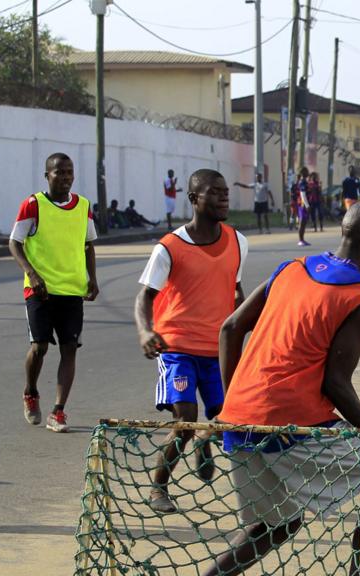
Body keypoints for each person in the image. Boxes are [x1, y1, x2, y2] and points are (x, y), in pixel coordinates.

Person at [209, 203, 360, 576]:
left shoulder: (291, 268)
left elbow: (230, 328)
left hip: (237, 420)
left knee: (276, 525)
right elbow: (336, 384)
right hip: (290, 422)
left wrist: (233, 403)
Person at [135, 169, 248, 513]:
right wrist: (145, 330)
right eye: (214, 193)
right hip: (176, 347)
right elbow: (144, 297)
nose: (223, 198)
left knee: (227, 416)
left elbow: (237, 292)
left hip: (217, 349)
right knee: (185, 418)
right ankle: (159, 488)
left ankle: (206, 437)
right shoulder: (169, 247)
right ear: (194, 199)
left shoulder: (238, 241)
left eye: (226, 192)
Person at [9, 152, 99, 432]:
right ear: (47, 175)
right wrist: (32, 274)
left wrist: (92, 279)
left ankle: (58, 411)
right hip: (40, 290)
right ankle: (31, 391)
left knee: (70, 348)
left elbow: (88, 245)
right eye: (59, 172)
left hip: (72, 289)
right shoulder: (33, 205)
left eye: (69, 172)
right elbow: (14, 242)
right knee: (40, 347)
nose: (65, 177)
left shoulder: (83, 206)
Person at [293, 167, 310, 247]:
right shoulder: (302, 182)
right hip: (302, 204)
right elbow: (303, 194)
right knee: (302, 222)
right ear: (303, 173)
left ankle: (302, 239)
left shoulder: (304, 181)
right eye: (307, 171)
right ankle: (300, 240)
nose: (308, 173)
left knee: (304, 223)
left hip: (304, 204)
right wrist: (307, 205)